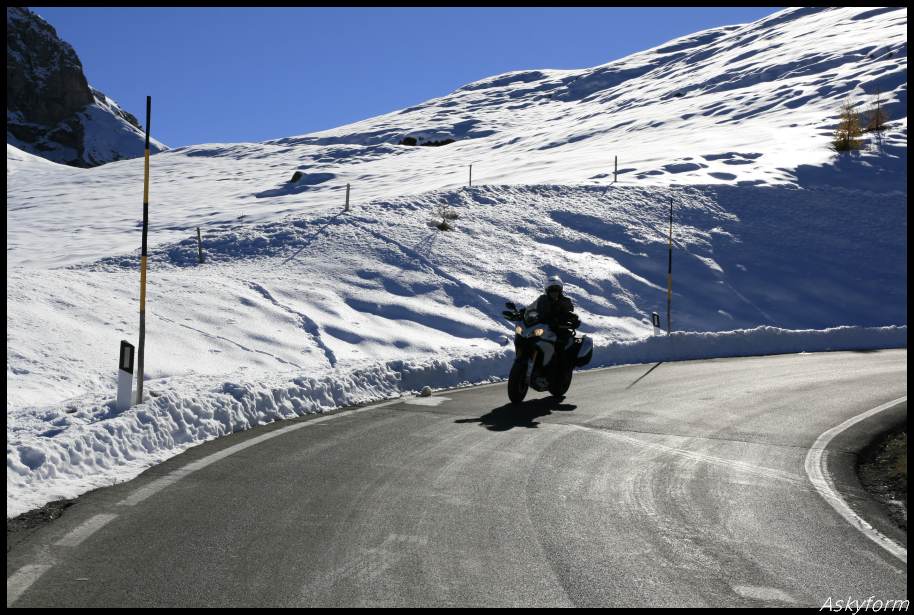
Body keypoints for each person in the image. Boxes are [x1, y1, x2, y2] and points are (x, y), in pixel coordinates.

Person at [534, 275, 580, 376]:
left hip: (559, 330)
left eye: (556, 290)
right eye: (552, 290)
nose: (554, 292)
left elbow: (568, 312)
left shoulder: (565, 301)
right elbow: (532, 309)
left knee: (560, 346)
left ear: (560, 291)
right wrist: (522, 313)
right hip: (543, 328)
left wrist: (571, 318)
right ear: (547, 290)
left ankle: (562, 372)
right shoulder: (541, 300)